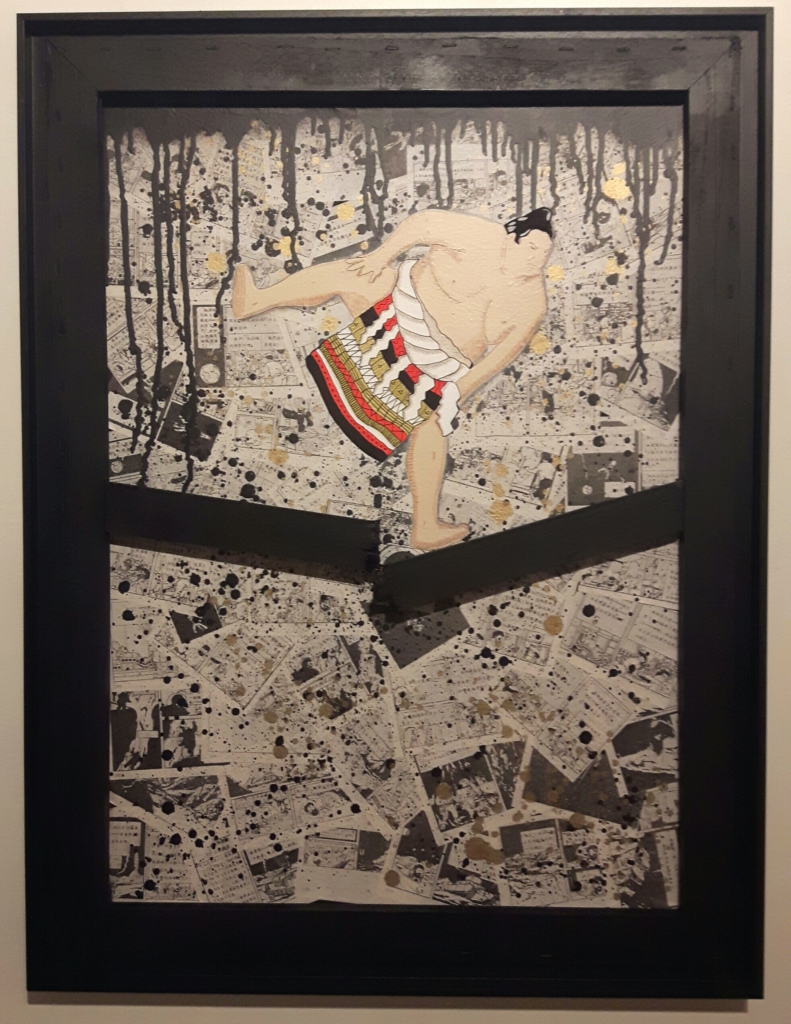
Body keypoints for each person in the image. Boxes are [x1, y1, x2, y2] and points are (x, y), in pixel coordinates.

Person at [232, 207, 554, 551]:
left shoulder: (532, 302)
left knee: (434, 423)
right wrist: (381, 255)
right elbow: (422, 224)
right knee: (356, 272)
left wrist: (457, 391)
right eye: (532, 248)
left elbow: (501, 356)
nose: (536, 261)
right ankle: (255, 300)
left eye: (544, 255)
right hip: (399, 305)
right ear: (512, 237)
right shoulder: (479, 235)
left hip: (442, 365)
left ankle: (425, 526)